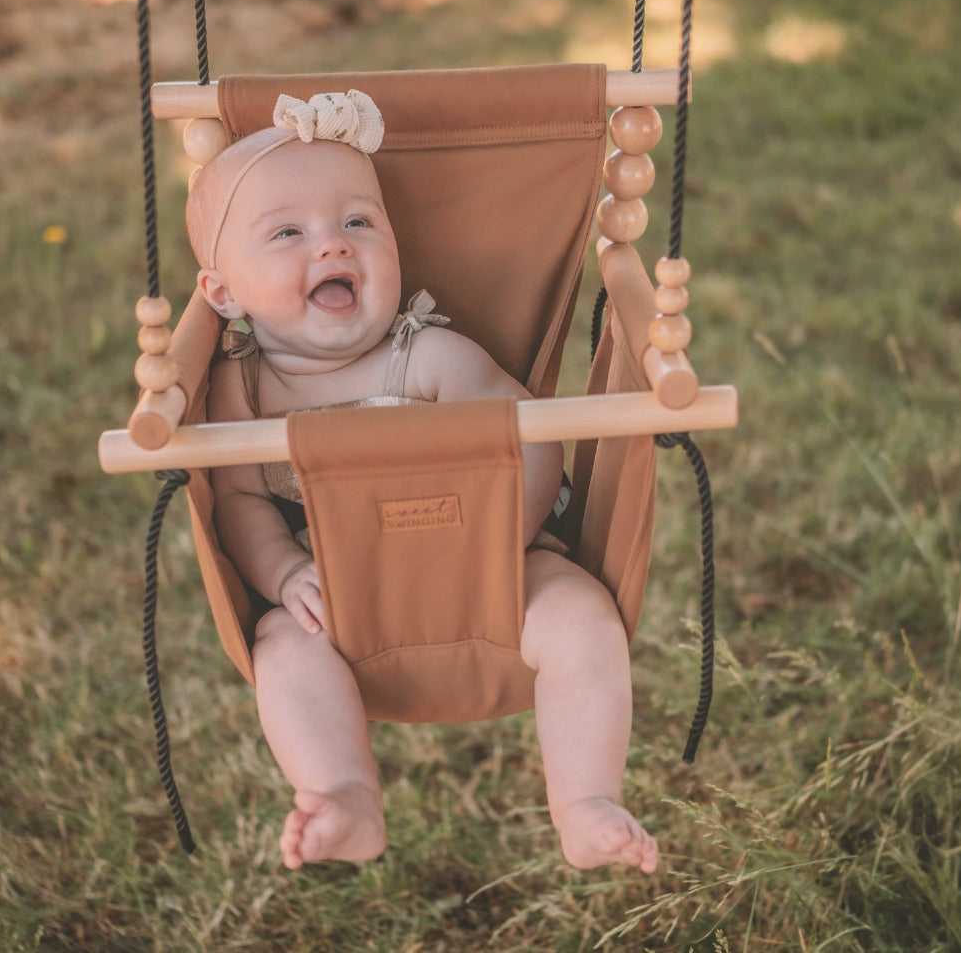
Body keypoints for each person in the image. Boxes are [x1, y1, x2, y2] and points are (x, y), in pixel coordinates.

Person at [187, 90, 658, 875]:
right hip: (341, 593)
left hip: (495, 571)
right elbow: (235, 500)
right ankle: (343, 795)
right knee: (282, 647)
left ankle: (586, 799)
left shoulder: (429, 359)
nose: (333, 247)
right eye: (288, 233)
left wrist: (500, 543)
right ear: (224, 293)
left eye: (358, 223)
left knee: (581, 615)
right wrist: (284, 572)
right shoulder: (240, 394)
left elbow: (529, 442)